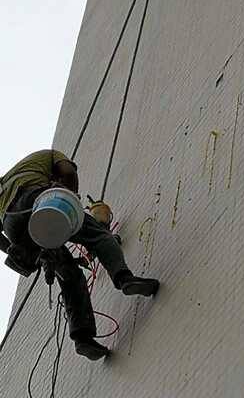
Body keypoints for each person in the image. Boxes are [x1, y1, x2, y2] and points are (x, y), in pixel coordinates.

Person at [0, 149, 159, 360]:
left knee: (69, 274)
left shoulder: (4, 187)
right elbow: (67, 171)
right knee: (99, 236)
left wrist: (20, 249)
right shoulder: (48, 155)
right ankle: (124, 279)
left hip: (12, 225)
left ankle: (82, 338)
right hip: (37, 199)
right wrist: (71, 198)